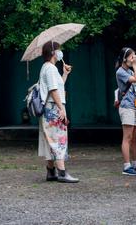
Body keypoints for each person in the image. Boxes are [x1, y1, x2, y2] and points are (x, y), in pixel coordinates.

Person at [37, 40, 78, 183]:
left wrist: (65, 74)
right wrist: (61, 108)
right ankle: (62, 172)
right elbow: (53, 90)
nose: (61, 52)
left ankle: (50, 171)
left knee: (50, 139)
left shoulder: (48, 68)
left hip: (50, 108)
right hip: (53, 108)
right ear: (54, 52)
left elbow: (57, 86)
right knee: (58, 138)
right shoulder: (50, 68)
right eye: (59, 50)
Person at [115, 47, 136, 176]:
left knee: (135, 138)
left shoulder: (130, 71)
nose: (134, 58)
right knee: (127, 137)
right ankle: (126, 166)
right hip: (127, 107)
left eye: (134, 56)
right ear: (125, 58)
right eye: (131, 56)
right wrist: (135, 66)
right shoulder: (121, 72)